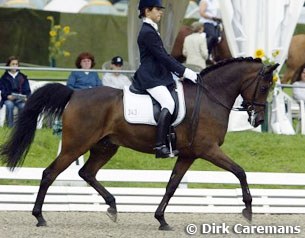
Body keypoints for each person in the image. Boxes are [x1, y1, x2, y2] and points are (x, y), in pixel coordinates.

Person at [133, 0, 198, 159]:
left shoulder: (152, 29)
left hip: (158, 74)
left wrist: (180, 72)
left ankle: (171, 139)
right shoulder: (147, 32)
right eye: (157, 9)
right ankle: (160, 145)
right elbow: (162, 57)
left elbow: (164, 56)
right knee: (168, 103)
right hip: (150, 76)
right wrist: (184, 71)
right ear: (147, 11)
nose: (161, 12)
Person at [0, 56, 31, 128]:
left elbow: (27, 90)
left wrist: (26, 97)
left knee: (23, 106)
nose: (14, 66)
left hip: (20, 99)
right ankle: (9, 126)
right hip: (8, 99)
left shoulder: (22, 77)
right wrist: (7, 96)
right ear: (8, 65)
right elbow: (2, 90)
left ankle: (20, 127)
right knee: (9, 105)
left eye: (16, 64)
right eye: (12, 64)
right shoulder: (4, 78)